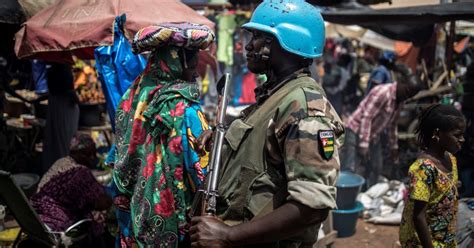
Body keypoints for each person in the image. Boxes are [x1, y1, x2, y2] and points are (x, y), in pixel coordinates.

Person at [190, 1, 345, 247]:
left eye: (260, 38)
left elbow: (312, 207)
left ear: (286, 42)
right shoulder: (277, 95)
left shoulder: (304, 108)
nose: (249, 45)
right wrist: (225, 143)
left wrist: (228, 236)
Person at [112, 23, 214, 247]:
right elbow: (203, 175)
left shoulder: (131, 100)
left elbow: (116, 158)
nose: (197, 69)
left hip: (131, 220)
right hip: (173, 224)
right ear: (180, 60)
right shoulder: (186, 111)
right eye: (195, 57)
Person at [399, 104, 466, 247]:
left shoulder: (450, 159)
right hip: (424, 241)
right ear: (438, 134)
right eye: (457, 135)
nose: (462, 139)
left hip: (445, 237)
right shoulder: (424, 168)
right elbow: (418, 216)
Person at [341, 76, 421, 187]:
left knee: (376, 167)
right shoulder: (383, 92)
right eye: (407, 91)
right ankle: (346, 195)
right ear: (400, 82)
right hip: (355, 130)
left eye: (412, 94)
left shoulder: (401, 101)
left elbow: (392, 125)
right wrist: (364, 145)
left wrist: (394, 148)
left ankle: (367, 193)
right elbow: (367, 117)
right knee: (351, 167)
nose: (408, 96)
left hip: (373, 135)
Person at [31, 133, 112, 241]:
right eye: (87, 154)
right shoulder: (80, 173)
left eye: (94, 153)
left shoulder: (61, 162)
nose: (93, 158)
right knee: (98, 219)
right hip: (58, 226)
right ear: (75, 153)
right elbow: (103, 203)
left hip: (37, 219)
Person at [42, 63, 80, 172]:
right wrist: (78, 100)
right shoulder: (64, 69)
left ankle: (54, 171)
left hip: (55, 107)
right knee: (66, 141)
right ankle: (64, 171)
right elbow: (70, 92)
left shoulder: (51, 70)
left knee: (54, 141)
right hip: (66, 109)